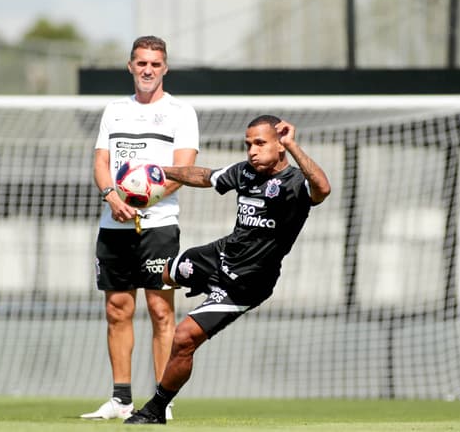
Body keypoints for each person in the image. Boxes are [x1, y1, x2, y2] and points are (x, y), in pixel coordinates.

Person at [124, 115, 331, 424]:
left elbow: (323, 189)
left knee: (183, 339)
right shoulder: (245, 173)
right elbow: (204, 176)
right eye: (248, 145)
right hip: (219, 256)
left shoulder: (296, 184)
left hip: (247, 282)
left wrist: (294, 145)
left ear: (279, 144)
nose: (252, 151)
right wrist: (160, 170)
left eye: (260, 143)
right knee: (165, 274)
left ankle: (156, 409)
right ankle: (202, 288)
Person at [81, 35, 199, 421]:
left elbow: (183, 170)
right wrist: (112, 196)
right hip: (113, 223)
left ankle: (161, 403)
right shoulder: (114, 111)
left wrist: (139, 200)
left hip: (159, 226)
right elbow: (101, 162)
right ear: (130, 66)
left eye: (155, 63)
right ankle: (120, 400)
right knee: (117, 309)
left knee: (161, 312)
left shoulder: (182, 113)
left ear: (165, 68)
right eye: (141, 63)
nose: (147, 70)